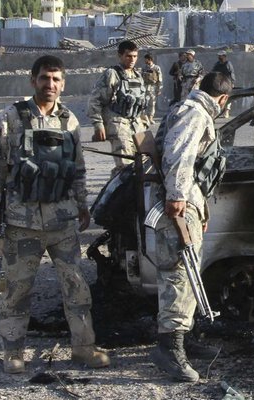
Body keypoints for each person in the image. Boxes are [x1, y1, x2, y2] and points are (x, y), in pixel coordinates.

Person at [0, 55, 109, 374]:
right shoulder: (13, 116)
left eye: (55, 79)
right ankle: (13, 352)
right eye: (44, 78)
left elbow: (77, 169)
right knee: (16, 288)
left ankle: (83, 348)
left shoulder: (69, 121)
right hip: (21, 221)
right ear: (33, 81)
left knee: (76, 286)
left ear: (63, 83)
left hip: (62, 221)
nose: (49, 84)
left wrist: (82, 205)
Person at [151, 72, 232, 382]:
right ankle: (168, 348)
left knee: (189, 271)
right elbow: (179, 155)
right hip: (179, 204)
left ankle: (184, 335)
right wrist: (176, 197)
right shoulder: (195, 113)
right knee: (177, 272)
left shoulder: (186, 108)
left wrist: (199, 207)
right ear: (222, 99)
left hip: (188, 202)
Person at [88, 40, 147, 174]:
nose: (132, 60)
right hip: (119, 124)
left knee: (142, 165)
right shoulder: (112, 74)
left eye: (135, 56)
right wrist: (98, 124)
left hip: (136, 124)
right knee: (125, 167)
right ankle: (117, 193)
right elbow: (95, 100)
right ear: (119, 56)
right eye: (128, 56)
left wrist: (144, 122)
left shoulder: (138, 76)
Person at [140, 52, 163, 127]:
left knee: (152, 103)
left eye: (146, 60)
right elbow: (141, 77)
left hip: (153, 87)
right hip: (145, 86)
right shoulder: (144, 68)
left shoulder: (156, 68)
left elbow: (160, 79)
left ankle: (151, 117)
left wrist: (159, 88)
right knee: (143, 103)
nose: (145, 61)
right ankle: (144, 117)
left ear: (150, 60)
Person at [211, 51, 235, 118]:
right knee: (219, 96)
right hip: (219, 82)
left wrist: (232, 82)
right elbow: (213, 72)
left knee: (227, 96)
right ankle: (219, 111)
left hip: (227, 82)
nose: (219, 57)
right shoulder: (217, 64)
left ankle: (227, 111)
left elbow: (231, 73)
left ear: (224, 56)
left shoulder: (228, 64)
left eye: (220, 56)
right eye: (218, 56)